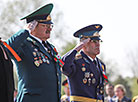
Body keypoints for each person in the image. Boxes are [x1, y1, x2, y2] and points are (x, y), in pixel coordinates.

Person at [6, 3, 63, 102]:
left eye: (50, 25)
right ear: (33, 26)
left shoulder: (50, 48)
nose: (49, 29)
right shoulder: (24, 44)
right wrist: (25, 31)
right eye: (45, 25)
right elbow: (8, 49)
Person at [62, 24, 108, 102]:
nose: (98, 44)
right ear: (84, 44)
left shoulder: (101, 64)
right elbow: (63, 64)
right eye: (94, 41)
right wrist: (77, 48)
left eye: (99, 41)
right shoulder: (76, 61)